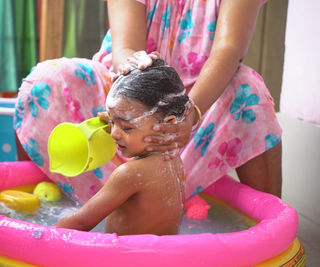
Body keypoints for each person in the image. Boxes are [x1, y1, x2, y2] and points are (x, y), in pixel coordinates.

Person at [14, 0, 282, 206]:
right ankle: (43, 200)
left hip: (197, 106)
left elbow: (228, 49)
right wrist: (135, 72)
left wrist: (190, 112)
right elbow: (125, 47)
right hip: (124, 90)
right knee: (46, 82)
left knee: (250, 92)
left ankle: (268, 229)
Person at [55, 59, 187, 235]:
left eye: (125, 127)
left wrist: (40, 236)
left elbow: (80, 223)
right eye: (111, 121)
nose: (114, 134)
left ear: (167, 124)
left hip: (122, 258)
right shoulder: (173, 160)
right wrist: (119, 122)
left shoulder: (130, 174)